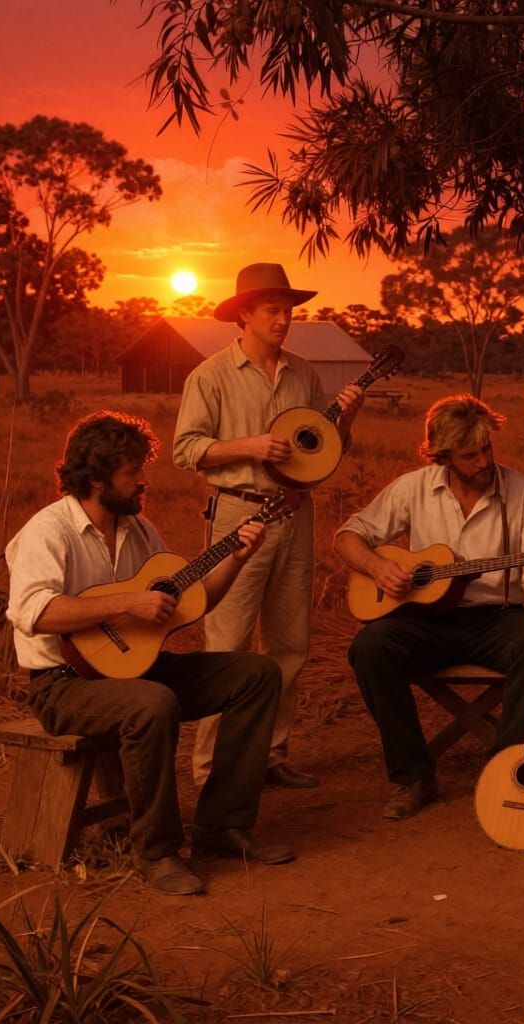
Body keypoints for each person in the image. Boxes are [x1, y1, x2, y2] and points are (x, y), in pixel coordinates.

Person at [5, 411, 294, 896]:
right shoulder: (49, 530)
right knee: (152, 702)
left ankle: (221, 825)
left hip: (135, 667)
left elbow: (193, 602)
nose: (142, 482)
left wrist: (237, 558)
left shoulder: (139, 530)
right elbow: (35, 612)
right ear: (96, 478)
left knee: (257, 673)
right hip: (64, 685)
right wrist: (127, 602)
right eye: (131, 472)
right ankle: (156, 852)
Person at [173, 262, 364, 789]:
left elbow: (324, 453)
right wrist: (248, 446)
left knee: (289, 643)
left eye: (289, 312)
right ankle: (211, 768)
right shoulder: (209, 376)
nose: (284, 320)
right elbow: (185, 450)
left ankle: (272, 754)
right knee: (227, 642)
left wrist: (346, 418)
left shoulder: (303, 374)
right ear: (244, 315)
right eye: (273, 311)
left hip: (295, 511)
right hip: (237, 510)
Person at [333, 395, 524, 820]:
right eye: (469, 454)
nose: (482, 462)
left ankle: (504, 767)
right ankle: (413, 775)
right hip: (425, 621)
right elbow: (349, 535)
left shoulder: (523, 493)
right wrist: (378, 566)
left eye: (486, 449)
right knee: (370, 647)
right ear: (442, 456)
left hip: (496, 619)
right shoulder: (413, 488)